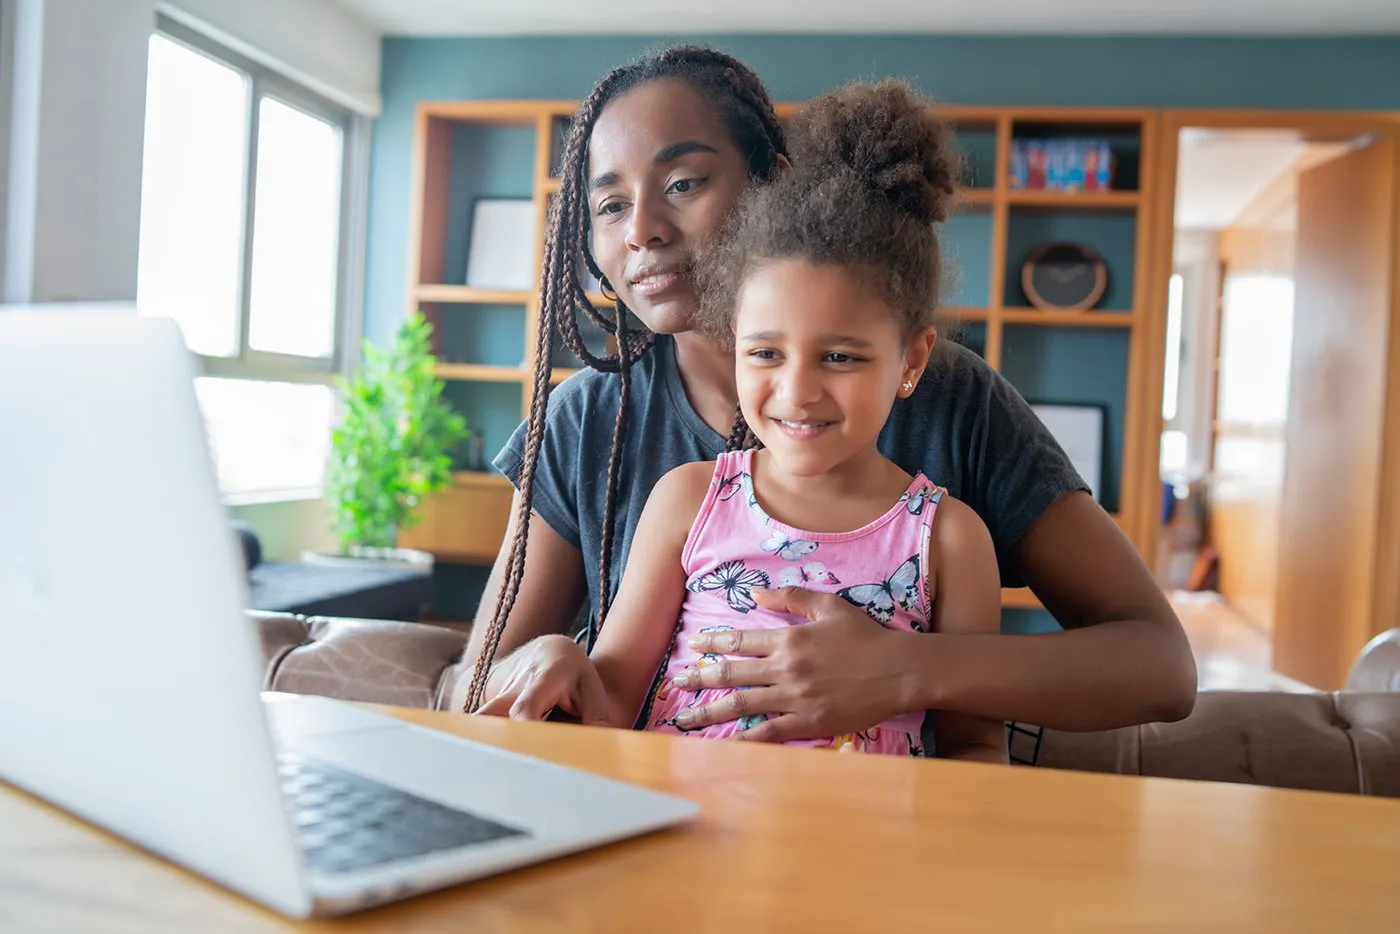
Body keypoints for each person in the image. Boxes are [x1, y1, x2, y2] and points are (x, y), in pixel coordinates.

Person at [457, 45, 1196, 739]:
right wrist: (543, 662)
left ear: (774, 183)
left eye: (684, 183)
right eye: (610, 205)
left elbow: (1160, 666)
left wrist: (904, 670)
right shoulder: (587, 420)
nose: (642, 229)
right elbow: (479, 687)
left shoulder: (953, 401)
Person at [586, 81, 1006, 763]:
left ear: (911, 359)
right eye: (765, 353)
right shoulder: (689, 502)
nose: (797, 390)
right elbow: (608, 699)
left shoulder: (952, 541)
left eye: (839, 355)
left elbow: (977, 749)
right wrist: (552, 664)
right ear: (733, 339)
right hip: (680, 841)